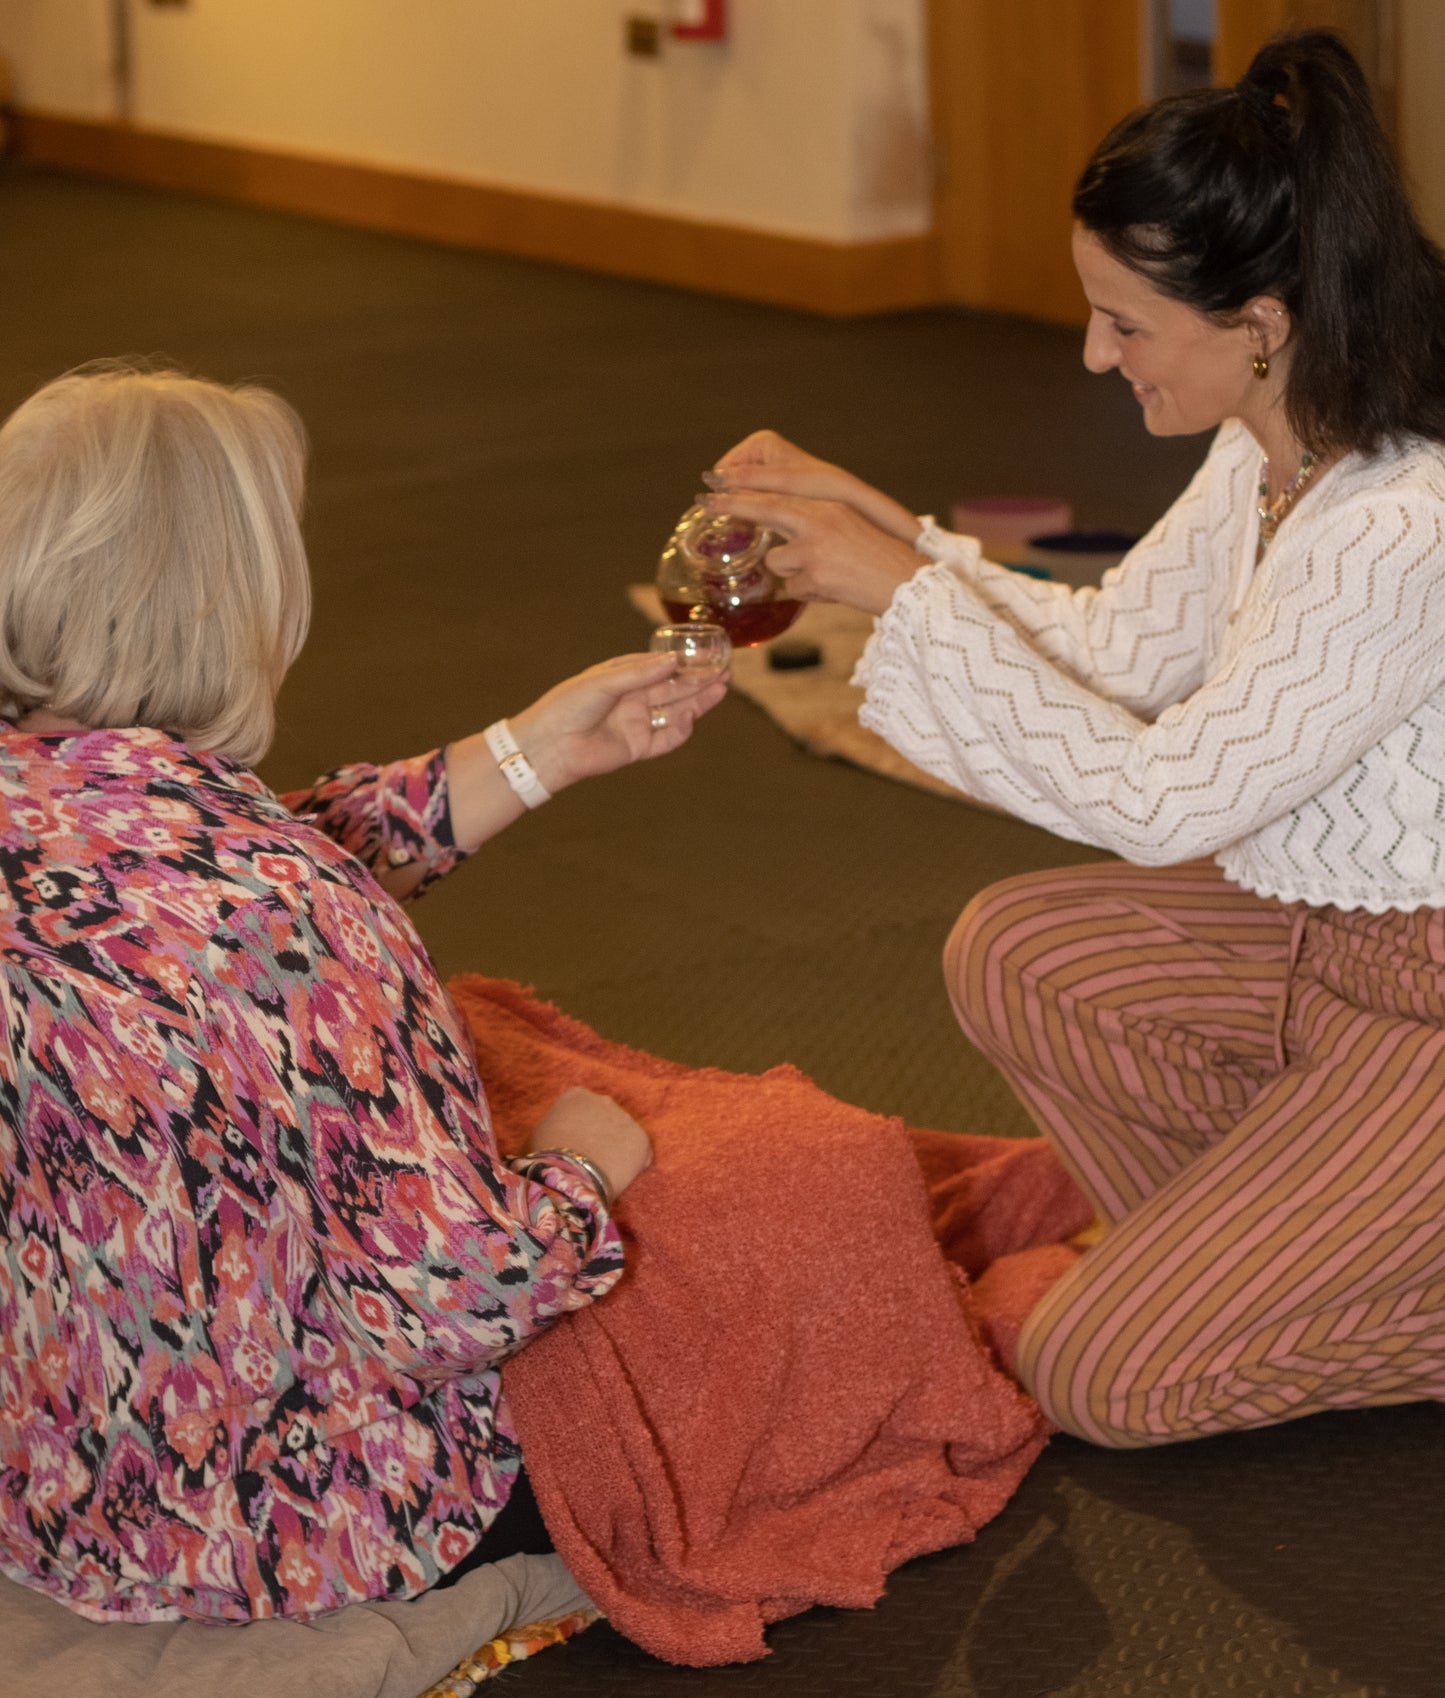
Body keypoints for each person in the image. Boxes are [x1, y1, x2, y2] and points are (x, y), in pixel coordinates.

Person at [706, 31, 1445, 1448]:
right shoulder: (1272, 443)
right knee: (1021, 948)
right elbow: (1112, 645)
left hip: (1419, 1005)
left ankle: (1293, 1258)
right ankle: (1283, 1240)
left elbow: (1164, 803)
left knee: (1102, 1375)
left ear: (1262, 322)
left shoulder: (1396, 522)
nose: (1094, 354)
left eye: (1125, 323)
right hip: (1320, 950)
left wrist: (901, 584)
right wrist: (884, 529)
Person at [0, 360, 726, 1622]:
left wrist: (532, 753)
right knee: (770, 1198)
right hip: (294, 1521)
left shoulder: (51, 812)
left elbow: (203, 879)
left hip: (52, 1475)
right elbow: (451, 1299)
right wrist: (579, 1175)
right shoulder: (290, 910)